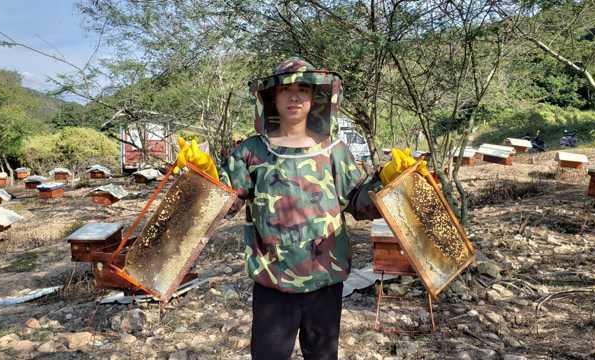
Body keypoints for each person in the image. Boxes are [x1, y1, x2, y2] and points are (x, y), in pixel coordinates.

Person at [174, 57, 418, 360]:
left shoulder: (334, 149)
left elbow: (358, 200)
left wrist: (388, 180)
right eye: (285, 89)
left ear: (315, 97)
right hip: (273, 281)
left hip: (324, 280)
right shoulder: (252, 151)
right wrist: (204, 176)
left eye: (303, 89)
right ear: (271, 97)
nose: (294, 96)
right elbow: (224, 203)